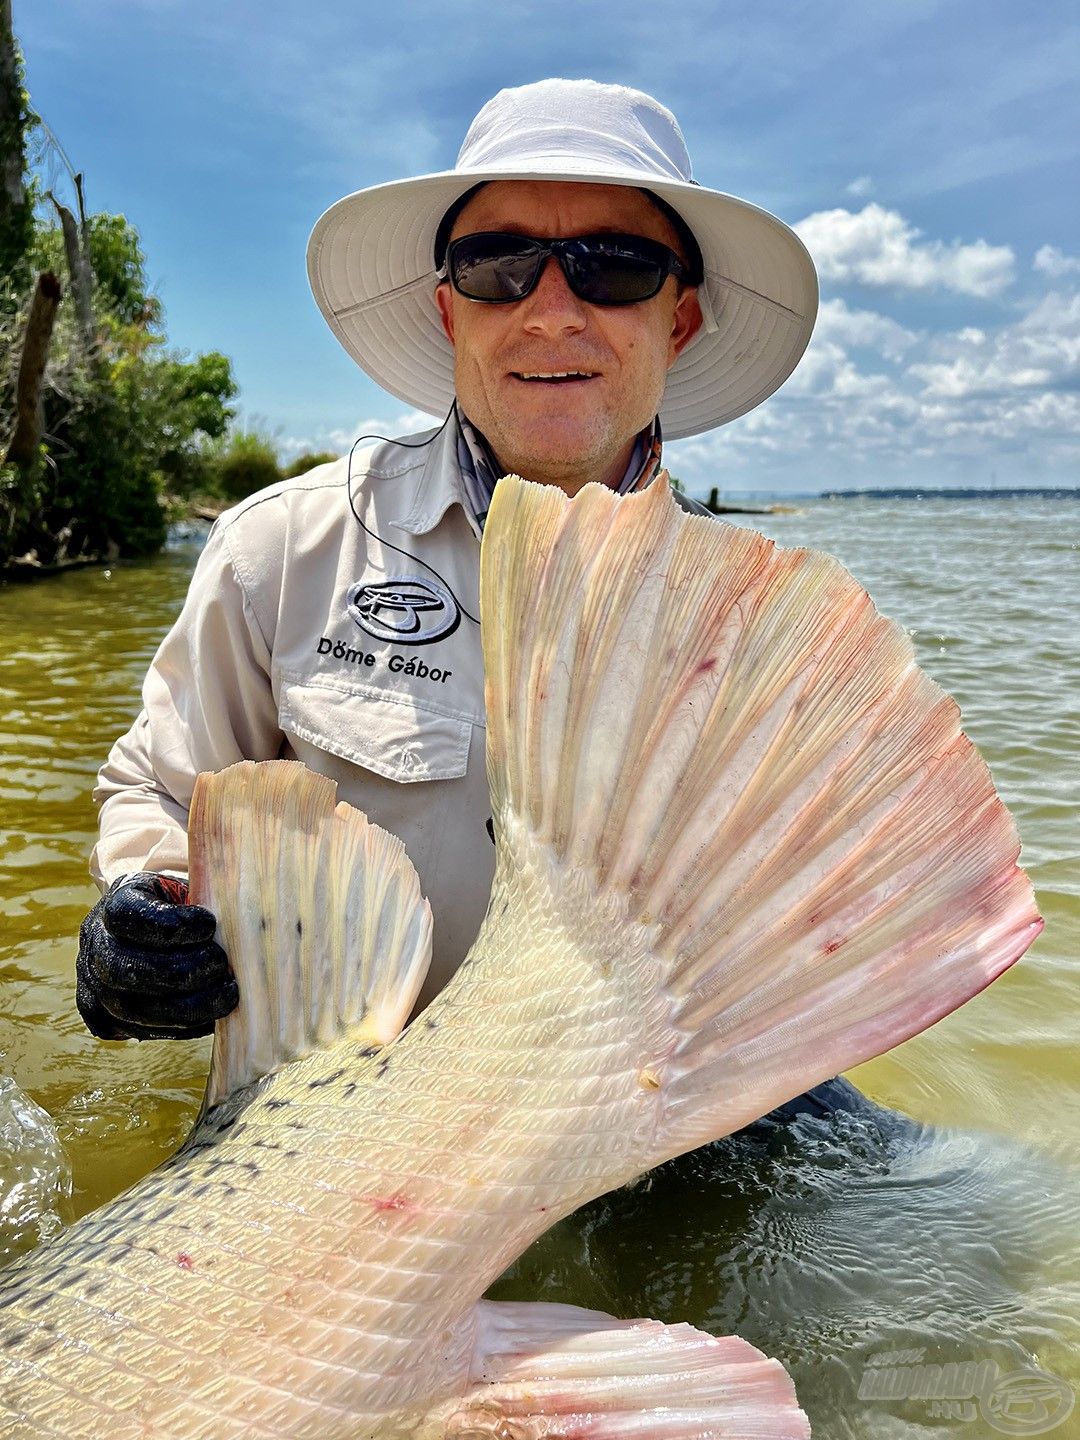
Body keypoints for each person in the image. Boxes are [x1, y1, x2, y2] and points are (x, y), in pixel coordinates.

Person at [76, 78, 826, 1061]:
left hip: (636, 1116)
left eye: (616, 267)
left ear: (677, 320)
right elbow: (158, 790)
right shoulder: (280, 552)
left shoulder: (768, 633)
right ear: (448, 312)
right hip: (336, 1115)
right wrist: (138, 912)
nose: (552, 312)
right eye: (499, 265)